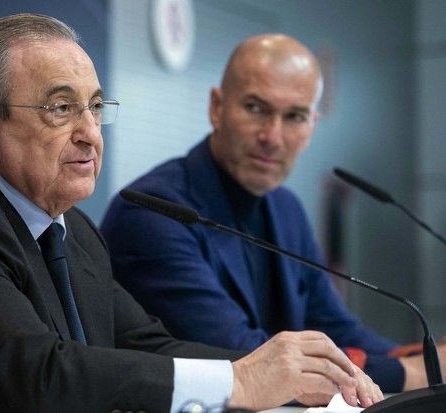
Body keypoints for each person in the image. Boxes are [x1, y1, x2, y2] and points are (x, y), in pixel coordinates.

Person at [0, 16, 381, 412]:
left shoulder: (72, 231)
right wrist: (240, 382)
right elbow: (41, 375)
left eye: (95, 108)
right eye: (60, 108)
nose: (90, 134)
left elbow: (146, 344)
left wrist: (281, 372)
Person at [101, 34, 445, 394]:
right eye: (255, 108)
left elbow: (335, 326)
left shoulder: (286, 207)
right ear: (217, 108)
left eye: (295, 116)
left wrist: (426, 356)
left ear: (312, 125)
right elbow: (244, 357)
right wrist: (411, 373)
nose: (273, 137)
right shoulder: (153, 211)